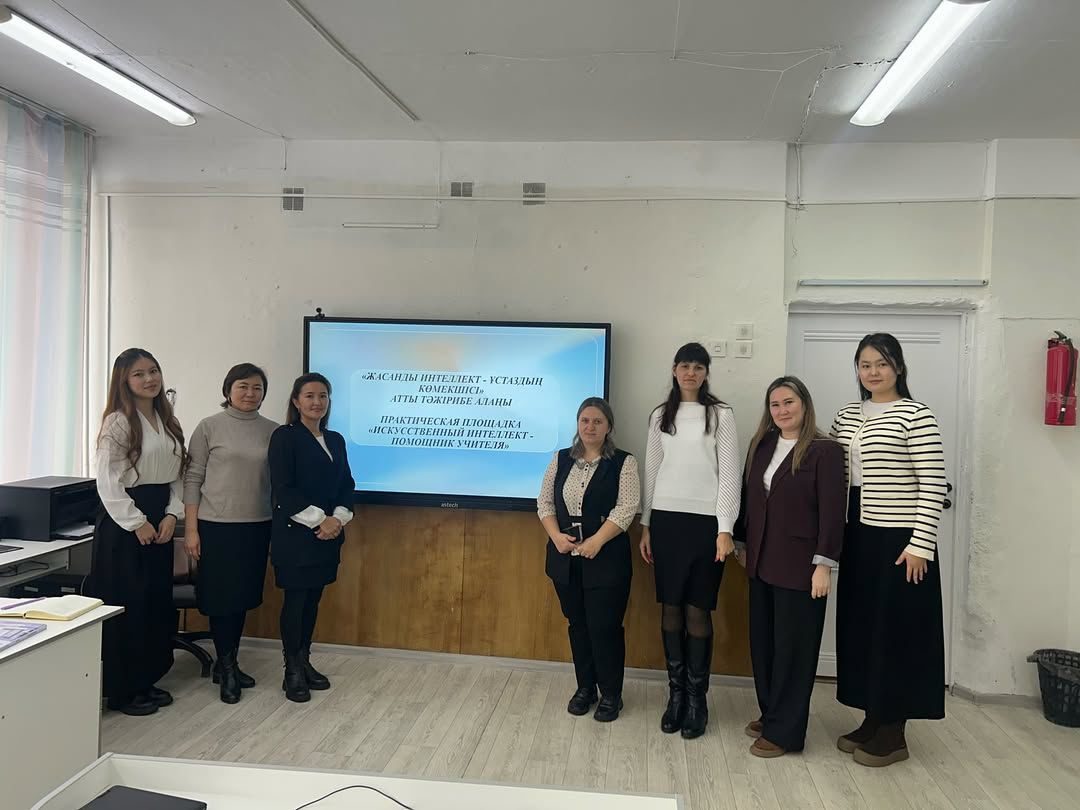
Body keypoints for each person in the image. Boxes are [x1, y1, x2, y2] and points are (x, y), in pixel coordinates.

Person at [831, 333, 947, 767]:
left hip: (900, 540)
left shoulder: (916, 415)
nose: (873, 372)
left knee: (897, 631)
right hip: (857, 534)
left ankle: (894, 731)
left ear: (898, 367)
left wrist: (921, 544)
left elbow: (933, 483)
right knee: (863, 626)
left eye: (881, 363)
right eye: (865, 365)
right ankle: (872, 717)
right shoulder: (847, 415)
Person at [734, 376, 845, 758]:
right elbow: (750, 499)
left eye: (789, 402)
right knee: (765, 647)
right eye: (775, 404)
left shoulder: (825, 450)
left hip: (802, 568)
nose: (782, 410)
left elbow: (833, 513)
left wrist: (824, 565)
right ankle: (772, 715)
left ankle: (786, 734)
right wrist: (741, 543)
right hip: (761, 563)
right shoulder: (762, 444)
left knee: (794, 653)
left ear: (804, 404)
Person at [639, 342, 741, 739]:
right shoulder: (660, 415)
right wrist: (647, 524)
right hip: (666, 521)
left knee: (698, 610)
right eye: (684, 366)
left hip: (705, 525)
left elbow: (729, 474)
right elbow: (652, 469)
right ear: (674, 370)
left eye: (698, 367)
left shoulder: (721, 414)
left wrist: (725, 528)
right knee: (671, 608)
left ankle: (698, 701)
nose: (690, 373)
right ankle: (676, 697)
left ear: (706, 373)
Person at [88, 348, 187, 716]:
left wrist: (172, 515)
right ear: (124, 381)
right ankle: (121, 690)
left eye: (154, 371)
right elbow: (107, 480)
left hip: (159, 517)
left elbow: (178, 474)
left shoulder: (167, 419)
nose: (149, 379)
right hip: (125, 522)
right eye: (139, 374)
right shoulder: (118, 422)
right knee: (127, 604)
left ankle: (145, 679)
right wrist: (136, 522)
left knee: (154, 603)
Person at [538, 397, 640, 722]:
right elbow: (544, 502)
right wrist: (556, 537)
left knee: (604, 627)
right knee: (578, 625)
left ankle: (611, 694)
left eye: (598, 421)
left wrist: (596, 541)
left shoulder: (624, 463)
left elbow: (627, 508)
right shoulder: (560, 459)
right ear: (577, 424)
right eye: (585, 420)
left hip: (607, 558)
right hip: (565, 558)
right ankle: (585, 688)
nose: (590, 427)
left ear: (609, 426)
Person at [183, 363, 277, 704]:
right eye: (243, 386)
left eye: (257, 388)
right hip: (216, 526)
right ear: (228, 390)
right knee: (222, 599)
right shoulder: (209, 426)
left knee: (242, 598)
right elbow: (192, 478)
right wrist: (191, 529)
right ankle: (226, 667)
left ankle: (229, 664)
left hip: (257, 524)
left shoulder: (273, 431)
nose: (250, 393)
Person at [268, 372, 355, 703]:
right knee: (296, 601)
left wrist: (338, 519)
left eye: (323, 396)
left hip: (328, 536)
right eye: (309, 396)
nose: (317, 402)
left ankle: (304, 661)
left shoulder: (336, 439)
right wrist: (321, 521)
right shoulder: (284, 437)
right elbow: (283, 489)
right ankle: (291, 670)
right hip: (296, 536)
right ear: (296, 401)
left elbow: (346, 484)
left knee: (313, 600)